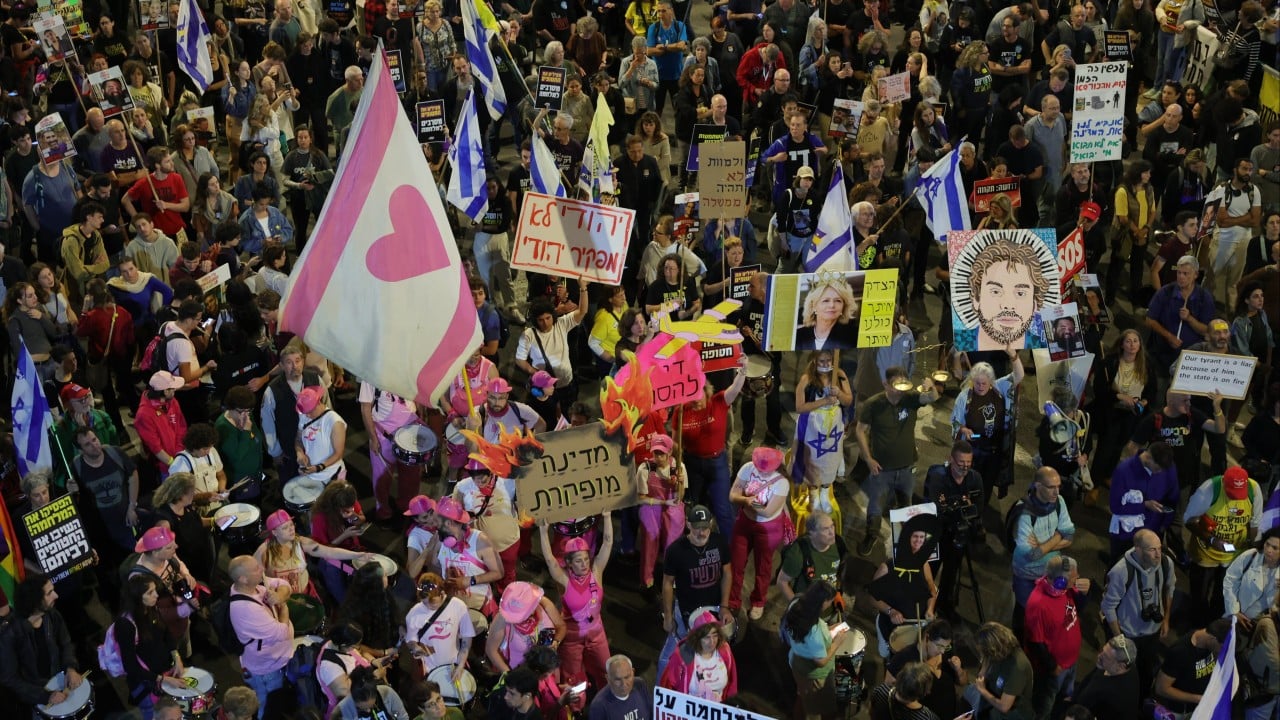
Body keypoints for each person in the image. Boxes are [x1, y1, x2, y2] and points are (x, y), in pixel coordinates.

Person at [857, 365, 940, 555]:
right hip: (881, 468)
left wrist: (930, 385)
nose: (900, 389)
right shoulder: (873, 404)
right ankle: (871, 535)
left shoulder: (910, 398)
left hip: (906, 467)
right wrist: (868, 458)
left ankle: (906, 543)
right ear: (885, 384)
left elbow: (933, 397)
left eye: (903, 383)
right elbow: (860, 430)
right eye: (895, 384)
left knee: (905, 505)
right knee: (875, 505)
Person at [539, 513, 614, 690]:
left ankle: (607, 697)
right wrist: (543, 532)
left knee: (606, 671)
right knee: (573, 680)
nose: (584, 564)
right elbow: (549, 560)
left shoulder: (596, 571)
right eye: (579, 561)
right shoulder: (564, 580)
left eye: (586, 559)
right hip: (572, 638)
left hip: (597, 633)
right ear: (569, 563)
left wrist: (607, 517)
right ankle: (576, 704)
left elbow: (608, 542)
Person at [659, 505, 732, 676]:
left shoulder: (719, 542)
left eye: (705, 527)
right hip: (686, 612)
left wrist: (724, 606)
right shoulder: (675, 550)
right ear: (688, 524)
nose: (702, 532)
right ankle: (662, 686)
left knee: (711, 650)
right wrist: (668, 616)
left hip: (714, 611)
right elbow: (667, 583)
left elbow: (727, 573)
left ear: (711, 524)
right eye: (697, 528)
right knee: (673, 653)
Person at [1185, 467, 1265, 618]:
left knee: (1224, 596)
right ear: (1224, 483)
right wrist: (1212, 539)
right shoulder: (1208, 490)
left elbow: (1255, 524)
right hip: (1206, 554)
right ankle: (1197, 624)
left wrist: (1254, 551)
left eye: (1239, 495)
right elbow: (1188, 521)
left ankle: (1215, 623)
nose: (1235, 500)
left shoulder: (1254, 490)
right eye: (1232, 494)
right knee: (1199, 595)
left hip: (1234, 554)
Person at [0, 572, 84, 716]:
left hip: (58, 680)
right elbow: (10, 679)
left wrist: (70, 668)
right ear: (35, 601)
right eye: (49, 593)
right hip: (35, 694)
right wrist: (45, 696)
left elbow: (66, 643)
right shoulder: (9, 634)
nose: (56, 595)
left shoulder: (52, 615)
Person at [951, 351, 1025, 504]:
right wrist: (963, 429)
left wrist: (1013, 356)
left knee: (986, 487)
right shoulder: (965, 396)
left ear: (991, 381)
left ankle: (981, 510)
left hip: (994, 452)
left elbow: (1019, 375)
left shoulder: (999, 388)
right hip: (973, 453)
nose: (980, 386)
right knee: (969, 486)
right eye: (977, 383)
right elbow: (955, 422)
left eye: (984, 383)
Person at [226, 555, 294, 718]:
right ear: (243, 578)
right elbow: (282, 633)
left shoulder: (255, 586)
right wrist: (284, 607)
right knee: (265, 703)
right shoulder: (246, 609)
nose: (262, 569)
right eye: (256, 569)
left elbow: (284, 584)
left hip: (274, 661)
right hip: (266, 669)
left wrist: (280, 596)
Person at [1023, 555, 1090, 719]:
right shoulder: (1038, 605)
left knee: (1065, 699)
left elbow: (1079, 608)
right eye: (1074, 577)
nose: (1077, 578)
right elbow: (1035, 642)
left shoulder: (1065, 589)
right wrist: (1053, 667)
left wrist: (1084, 594)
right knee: (1045, 707)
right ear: (1060, 581)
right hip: (1055, 670)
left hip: (1071, 661)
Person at [728, 447, 791, 620]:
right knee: (736, 563)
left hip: (767, 529)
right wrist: (747, 500)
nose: (761, 471)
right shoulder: (748, 468)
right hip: (744, 522)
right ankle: (733, 600)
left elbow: (768, 512)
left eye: (766, 469)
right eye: (759, 467)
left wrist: (746, 501)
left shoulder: (782, 483)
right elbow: (732, 495)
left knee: (763, 566)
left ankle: (758, 601)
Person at [1011, 467, 1075, 631]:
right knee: (1024, 614)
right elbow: (1032, 555)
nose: (1056, 492)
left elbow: (1070, 537)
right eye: (1051, 487)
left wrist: (1043, 545)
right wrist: (1058, 536)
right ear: (1038, 486)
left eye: (1058, 486)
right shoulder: (1024, 513)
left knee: (1042, 618)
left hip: (1050, 572)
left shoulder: (1059, 502)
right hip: (1026, 574)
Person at [116, 574, 187, 720]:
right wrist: (162, 679)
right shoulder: (125, 624)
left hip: (164, 676)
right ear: (137, 597)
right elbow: (130, 666)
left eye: (155, 590)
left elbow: (167, 634)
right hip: (147, 684)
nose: (156, 595)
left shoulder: (152, 608)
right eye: (150, 592)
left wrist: (177, 658)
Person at [256, 509, 369, 597]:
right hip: (282, 599)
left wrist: (358, 555)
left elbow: (329, 552)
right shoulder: (263, 552)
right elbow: (253, 579)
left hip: (305, 594)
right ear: (274, 532)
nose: (291, 529)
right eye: (285, 528)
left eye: (291, 524)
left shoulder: (301, 542)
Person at [783, 581, 848, 720]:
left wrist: (829, 629)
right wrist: (837, 642)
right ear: (823, 602)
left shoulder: (797, 604)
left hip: (796, 662)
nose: (830, 604)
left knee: (801, 696)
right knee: (827, 708)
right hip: (814, 676)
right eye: (830, 601)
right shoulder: (814, 631)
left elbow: (807, 638)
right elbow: (821, 661)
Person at [261, 342, 324, 481]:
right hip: (289, 450)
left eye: (297, 361)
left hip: (317, 445)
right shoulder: (272, 390)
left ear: (303, 362)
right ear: (282, 366)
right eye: (289, 362)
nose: (295, 366)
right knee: (292, 485)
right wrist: (275, 451)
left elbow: (327, 408)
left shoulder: (315, 380)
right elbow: (267, 424)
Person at [636, 434, 687, 589]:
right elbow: (641, 498)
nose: (658, 457)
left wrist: (680, 483)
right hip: (652, 507)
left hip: (673, 508)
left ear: (669, 452)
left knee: (672, 545)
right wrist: (662, 502)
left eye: (661, 453)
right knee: (649, 542)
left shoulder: (678, 467)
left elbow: (680, 497)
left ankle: (671, 577)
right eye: (655, 453)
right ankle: (647, 579)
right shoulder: (644, 468)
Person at [884, 620, 965, 719]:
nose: (942, 651)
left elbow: (963, 682)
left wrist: (958, 670)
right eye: (939, 646)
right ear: (927, 638)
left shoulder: (948, 653)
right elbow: (888, 692)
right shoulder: (903, 658)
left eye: (946, 647)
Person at [403, 571, 475, 681]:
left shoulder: (458, 606)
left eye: (433, 603)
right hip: (429, 670)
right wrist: (415, 648)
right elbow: (411, 640)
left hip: (454, 664)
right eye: (425, 603)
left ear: (442, 593)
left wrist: (460, 665)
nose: (429, 606)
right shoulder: (414, 613)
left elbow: (466, 638)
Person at [1154, 618, 1232, 717]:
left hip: (1200, 705)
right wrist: (1199, 699)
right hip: (1180, 711)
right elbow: (1161, 689)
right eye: (1222, 648)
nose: (1222, 652)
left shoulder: (1210, 643)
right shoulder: (1180, 652)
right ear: (1213, 639)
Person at [659, 608, 738, 702]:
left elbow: (732, 684)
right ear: (697, 638)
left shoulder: (725, 651)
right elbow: (669, 685)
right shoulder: (683, 655)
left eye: (715, 635)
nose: (712, 641)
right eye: (707, 637)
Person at [1072, 635, 1141, 719]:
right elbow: (1091, 676)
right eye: (1103, 651)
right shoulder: (1122, 665)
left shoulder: (1115, 697)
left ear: (1120, 666)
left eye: (1106, 657)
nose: (1099, 656)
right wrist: (1074, 696)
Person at [1225, 528, 1280, 629]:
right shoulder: (1252, 555)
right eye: (1267, 544)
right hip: (1236, 616)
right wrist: (1234, 611)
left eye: (1275, 548)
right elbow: (1230, 580)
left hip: (1261, 626)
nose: (1269, 550)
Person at [294, 384, 347, 485]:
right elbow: (298, 439)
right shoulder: (304, 415)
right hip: (310, 475)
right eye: (305, 412)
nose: (307, 415)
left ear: (318, 403)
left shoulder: (335, 422)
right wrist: (299, 453)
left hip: (331, 476)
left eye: (310, 411)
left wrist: (319, 467)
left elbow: (338, 453)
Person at [330, 665, 411, 719]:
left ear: (376, 692)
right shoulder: (342, 710)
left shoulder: (388, 694)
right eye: (360, 708)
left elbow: (402, 717)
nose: (368, 711)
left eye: (372, 706)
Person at [869, 662, 942, 720]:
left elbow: (872, 711)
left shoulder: (881, 690)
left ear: (899, 677)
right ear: (924, 692)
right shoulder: (927, 717)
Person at [587, 655, 651, 720]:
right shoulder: (599, 706)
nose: (624, 684)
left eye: (627, 677)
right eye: (618, 679)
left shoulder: (640, 685)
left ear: (633, 672)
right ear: (608, 678)